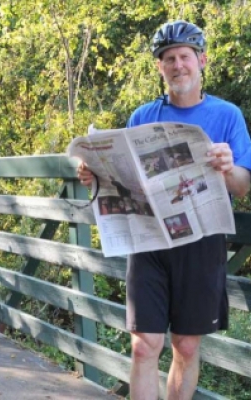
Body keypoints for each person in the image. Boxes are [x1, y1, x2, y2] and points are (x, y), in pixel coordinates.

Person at [77, 20, 251, 400]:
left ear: (201, 60)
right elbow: (122, 182)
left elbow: (242, 185)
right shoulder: (142, 117)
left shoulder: (227, 115)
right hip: (149, 240)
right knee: (143, 345)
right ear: (160, 66)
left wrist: (227, 167)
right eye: (168, 59)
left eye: (185, 57)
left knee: (186, 347)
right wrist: (95, 176)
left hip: (201, 240)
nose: (178, 66)